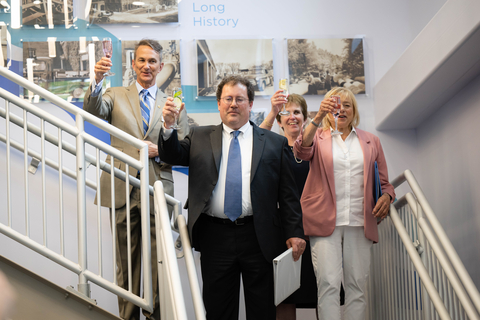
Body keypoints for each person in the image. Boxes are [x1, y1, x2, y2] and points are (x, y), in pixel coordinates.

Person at [158, 75, 306, 320]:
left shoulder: (274, 143)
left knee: (262, 310)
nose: (233, 104)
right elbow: (171, 154)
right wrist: (168, 126)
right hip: (215, 238)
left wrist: (295, 232)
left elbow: (288, 195)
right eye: (228, 98)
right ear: (218, 104)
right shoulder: (199, 137)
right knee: (219, 311)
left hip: (260, 238)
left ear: (250, 104)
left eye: (240, 99)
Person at [83, 39, 189, 320]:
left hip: (157, 188)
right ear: (133, 64)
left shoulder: (174, 103)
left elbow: (184, 148)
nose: (146, 66)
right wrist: (97, 79)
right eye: (141, 60)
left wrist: (162, 148)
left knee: (159, 262)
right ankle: (128, 317)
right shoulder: (115, 94)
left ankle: (156, 316)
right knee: (126, 265)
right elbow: (93, 112)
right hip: (121, 186)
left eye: (152, 61)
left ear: (161, 66)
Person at [293, 87, 395, 320]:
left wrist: (387, 197)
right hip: (324, 220)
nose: (341, 109)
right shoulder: (317, 136)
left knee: (357, 287)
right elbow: (301, 149)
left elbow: (385, 184)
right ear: (328, 110)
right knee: (328, 285)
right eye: (335, 104)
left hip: (360, 221)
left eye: (347, 105)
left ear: (353, 111)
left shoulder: (371, 141)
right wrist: (317, 117)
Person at [260, 92, 318, 320]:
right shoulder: (271, 146)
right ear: (279, 119)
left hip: (315, 228)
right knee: (284, 295)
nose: (292, 117)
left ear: (305, 118)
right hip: (281, 231)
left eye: (297, 112)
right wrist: (273, 110)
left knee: (322, 292)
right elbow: (256, 137)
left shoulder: (317, 147)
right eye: (286, 113)